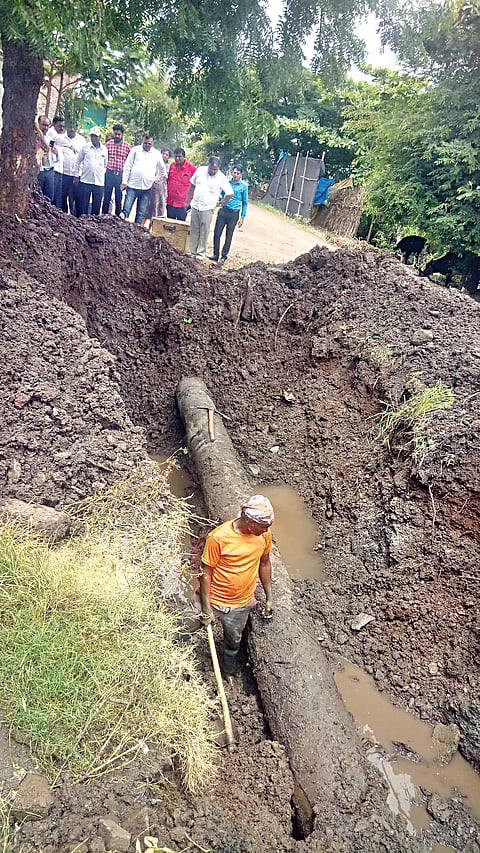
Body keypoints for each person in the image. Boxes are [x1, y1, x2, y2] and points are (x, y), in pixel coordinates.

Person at [199, 495, 274, 675]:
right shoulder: (218, 537)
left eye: (268, 527)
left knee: (233, 643)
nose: (266, 530)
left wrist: (269, 597)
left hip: (240, 604)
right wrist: (206, 608)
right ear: (249, 521)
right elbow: (205, 573)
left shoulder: (264, 535)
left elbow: (265, 563)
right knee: (183, 627)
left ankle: (229, 669)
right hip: (215, 597)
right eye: (263, 526)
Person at [184, 157, 233, 260]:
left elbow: (230, 193)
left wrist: (220, 203)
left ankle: (200, 254)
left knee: (204, 230)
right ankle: (192, 252)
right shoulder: (200, 170)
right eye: (211, 168)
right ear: (208, 165)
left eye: (215, 169)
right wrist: (188, 201)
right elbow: (192, 185)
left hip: (208, 208)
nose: (213, 171)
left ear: (218, 168)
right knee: (194, 229)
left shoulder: (221, 178)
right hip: (196, 205)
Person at [120, 133, 162, 224]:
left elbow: (162, 169)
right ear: (142, 141)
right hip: (132, 186)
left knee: (141, 213)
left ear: (153, 143)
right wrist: (124, 181)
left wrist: (156, 179)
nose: (147, 145)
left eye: (149, 144)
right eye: (145, 143)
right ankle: (120, 228)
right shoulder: (135, 150)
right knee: (126, 209)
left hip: (147, 188)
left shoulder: (156, 154)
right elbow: (128, 166)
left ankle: (137, 232)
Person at [211, 164, 248, 265]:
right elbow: (221, 195)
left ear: (241, 175)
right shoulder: (226, 183)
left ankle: (223, 256)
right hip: (223, 211)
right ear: (232, 172)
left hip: (234, 214)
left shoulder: (244, 187)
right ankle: (215, 254)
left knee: (229, 236)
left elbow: (245, 203)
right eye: (234, 172)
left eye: (238, 173)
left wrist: (242, 217)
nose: (235, 175)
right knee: (217, 233)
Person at [73, 126, 108, 216]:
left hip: (98, 182)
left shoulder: (104, 150)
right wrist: (76, 175)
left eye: (95, 136)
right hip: (85, 181)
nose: (94, 138)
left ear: (100, 137)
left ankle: (93, 225)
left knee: (96, 207)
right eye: (92, 136)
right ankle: (82, 223)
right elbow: (78, 161)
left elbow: (105, 164)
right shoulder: (85, 148)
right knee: (83, 206)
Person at [102, 124, 131, 216]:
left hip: (120, 175)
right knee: (107, 196)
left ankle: (118, 217)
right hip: (109, 173)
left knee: (119, 197)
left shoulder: (127, 147)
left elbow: (129, 162)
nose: (117, 136)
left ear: (122, 135)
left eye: (119, 134)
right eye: (116, 134)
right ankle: (104, 215)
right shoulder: (108, 144)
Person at [61, 125, 86, 214]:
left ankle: (77, 217)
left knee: (77, 197)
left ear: (76, 128)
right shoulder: (61, 138)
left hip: (77, 175)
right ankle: (63, 215)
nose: (71, 129)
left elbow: (84, 158)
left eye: (73, 127)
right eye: (69, 127)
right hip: (64, 173)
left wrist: (79, 174)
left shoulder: (82, 140)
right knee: (63, 196)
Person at [166, 147, 196, 221]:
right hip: (171, 202)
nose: (177, 158)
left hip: (183, 204)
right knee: (169, 225)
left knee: (180, 227)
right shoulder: (172, 166)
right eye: (175, 156)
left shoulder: (191, 168)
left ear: (184, 157)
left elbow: (196, 184)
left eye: (179, 156)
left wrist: (190, 201)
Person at [35, 115, 55, 202]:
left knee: (49, 197)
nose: (45, 127)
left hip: (49, 171)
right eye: (43, 125)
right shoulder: (34, 138)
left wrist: (55, 153)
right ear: (38, 124)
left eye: (47, 126)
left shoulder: (51, 139)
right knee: (37, 197)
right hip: (38, 171)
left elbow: (55, 160)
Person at [143, 156, 167, 225]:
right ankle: (141, 226)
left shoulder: (167, 167)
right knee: (146, 209)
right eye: (163, 153)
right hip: (150, 190)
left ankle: (154, 227)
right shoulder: (152, 164)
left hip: (160, 193)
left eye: (167, 154)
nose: (164, 155)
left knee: (157, 210)